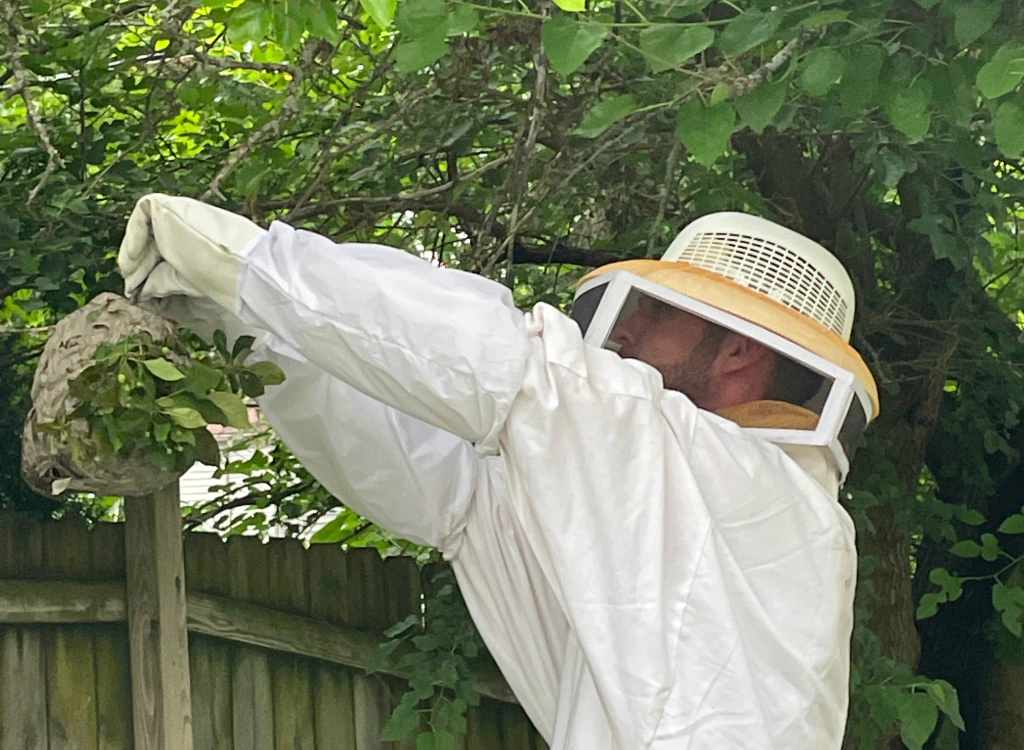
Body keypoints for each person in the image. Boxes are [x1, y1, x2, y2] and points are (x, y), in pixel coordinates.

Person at [118, 195, 879, 749]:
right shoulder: (672, 502)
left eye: (660, 312)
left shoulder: (757, 492)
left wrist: (251, 264)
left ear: (740, 351)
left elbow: (513, 370)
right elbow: (452, 492)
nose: (628, 329)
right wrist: (255, 337)